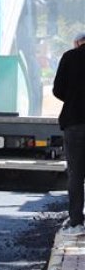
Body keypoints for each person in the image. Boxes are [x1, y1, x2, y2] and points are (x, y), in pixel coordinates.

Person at [54, 32, 85, 235]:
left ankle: (76, 222)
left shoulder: (69, 56)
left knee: (76, 174)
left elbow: (58, 90)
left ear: (77, 43)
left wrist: (73, 98)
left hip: (75, 123)